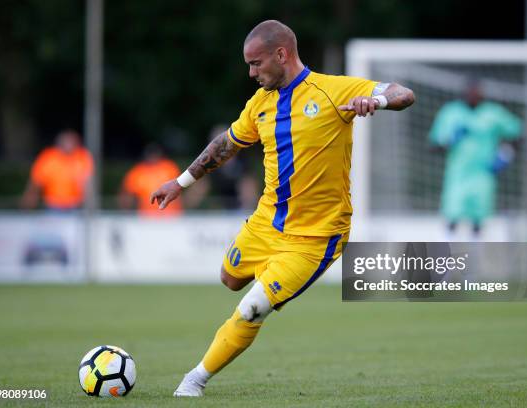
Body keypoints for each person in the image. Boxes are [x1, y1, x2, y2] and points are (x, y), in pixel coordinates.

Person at [150, 20, 415, 397]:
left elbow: (403, 93)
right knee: (229, 278)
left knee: (253, 307)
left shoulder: (333, 90)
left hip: (316, 236)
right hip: (266, 223)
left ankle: (194, 380)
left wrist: (378, 100)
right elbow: (225, 145)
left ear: (281, 54)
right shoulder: (259, 104)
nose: (251, 72)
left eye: (256, 64)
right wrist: (180, 183)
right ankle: (267, 278)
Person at [429, 80, 522, 239]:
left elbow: (518, 133)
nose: (474, 95)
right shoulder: (451, 113)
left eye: (477, 92)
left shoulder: (493, 113)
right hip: (457, 175)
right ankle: (445, 258)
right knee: (452, 217)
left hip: (483, 174)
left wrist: (506, 155)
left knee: (478, 221)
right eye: (471, 91)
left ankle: (475, 259)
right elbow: (434, 145)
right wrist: (450, 140)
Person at [21, 129, 93, 211]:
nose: (69, 145)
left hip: (75, 205)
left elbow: (87, 182)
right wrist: (30, 197)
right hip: (53, 205)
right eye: (66, 142)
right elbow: (37, 180)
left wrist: (90, 201)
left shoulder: (82, 156)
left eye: (71, 142)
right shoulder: (48, 157)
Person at [119, 144, 183, 217]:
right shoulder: (138, 171)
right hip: (146, 216)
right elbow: (126, 195)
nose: (153, 157)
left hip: (171, 215)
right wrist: (127, 214)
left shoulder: (169, 167)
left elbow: (178, 189)